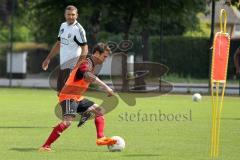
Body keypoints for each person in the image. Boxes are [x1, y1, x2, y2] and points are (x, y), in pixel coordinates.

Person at [39, 43, 116, 152]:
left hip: (77, 97)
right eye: (105, 56)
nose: (105, 59)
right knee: (67, 122)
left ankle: (100, 138)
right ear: (97, 53)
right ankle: (45, 146)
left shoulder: (91, 64)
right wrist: (106, 87)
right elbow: (87, 75)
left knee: (99, 111)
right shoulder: (86, 63)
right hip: (68, 96)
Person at [42, 5, 88, 92]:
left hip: (71, 67)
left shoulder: (78, 29)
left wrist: (77, 67)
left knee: (66, 96)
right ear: (65, 15)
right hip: (63, 66)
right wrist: (48, 58)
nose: (71, 17)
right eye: (68, 14)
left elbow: (85, 49)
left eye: (73, 14)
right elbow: (59, 43)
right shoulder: (63, 26)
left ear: (77, 15)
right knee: (61, 94)